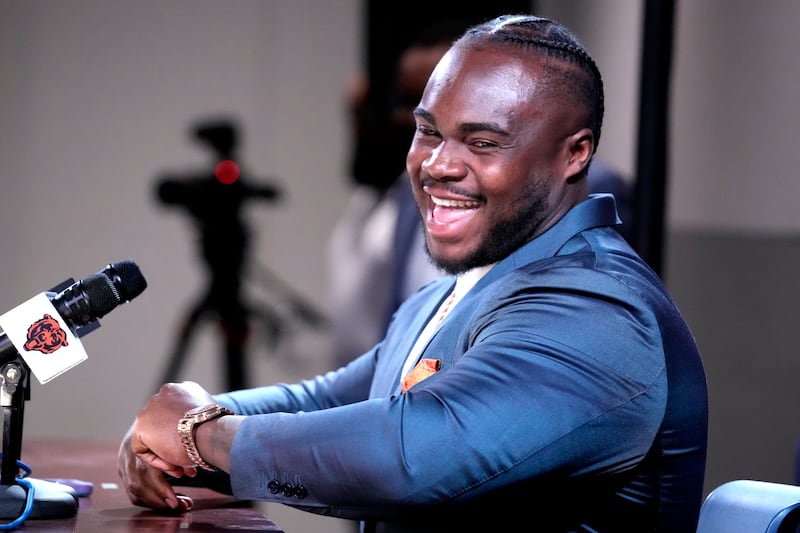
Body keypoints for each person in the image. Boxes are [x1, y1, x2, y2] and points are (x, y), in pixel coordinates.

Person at [118, 14, 708, 532]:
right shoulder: (461, 289)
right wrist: (180, 427)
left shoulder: (595, 309)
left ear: (574, 154)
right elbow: (329, 400)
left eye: (483, 142)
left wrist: (199, 433)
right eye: (428, 131)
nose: (438, 165)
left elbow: (408, 457)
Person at [329, 19, 634, 369]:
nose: (404, 117)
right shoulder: (410, 188)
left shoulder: (589, 199)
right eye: (414, 106)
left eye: (483, 141)